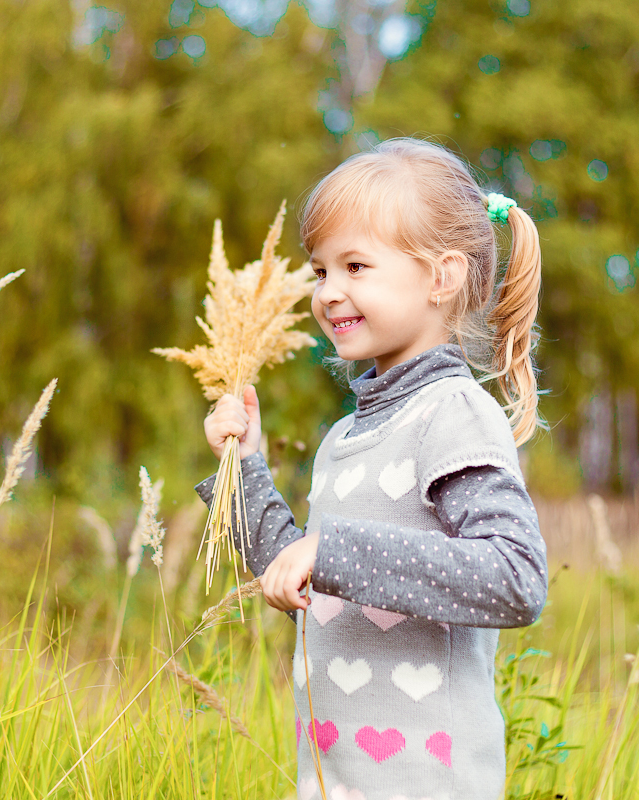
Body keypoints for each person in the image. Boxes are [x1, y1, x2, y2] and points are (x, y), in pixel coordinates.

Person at [198, 137, 548, 800]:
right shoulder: (346, 438)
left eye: (356, 266)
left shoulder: (453, 413)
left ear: (441, 277)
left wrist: (333, 551)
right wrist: (243, 468)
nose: (329, 293)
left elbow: (516, 577)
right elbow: (309, 579)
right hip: (337, 783)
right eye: (321, 270)